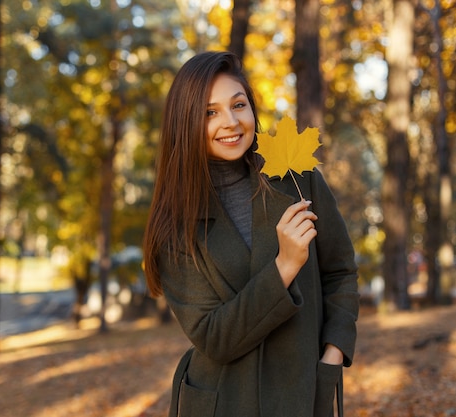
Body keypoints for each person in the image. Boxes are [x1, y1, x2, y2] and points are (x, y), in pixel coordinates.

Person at [143, 51, 359, 417]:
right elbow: (214, 337)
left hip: (303, 392)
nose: (230, 122)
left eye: (238, 105)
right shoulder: (174, 227)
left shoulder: (296, 179)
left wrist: (333, 353)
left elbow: (340, 271)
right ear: (185, 122)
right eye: (210, 112)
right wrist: (285, 267)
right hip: (225, 400)